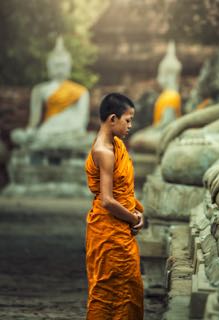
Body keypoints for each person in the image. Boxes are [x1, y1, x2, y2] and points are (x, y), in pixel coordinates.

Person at [85, 93, 145, 319]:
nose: (130, 125)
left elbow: (124, 191)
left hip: (120, 228)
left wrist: (136, 211)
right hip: (108, 231)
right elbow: (108, 200)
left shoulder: (116, 144)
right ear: (112, 119)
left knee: (129, 288)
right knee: (107, 289)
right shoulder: (104, 151)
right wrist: (133, 218)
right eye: (127, 120)